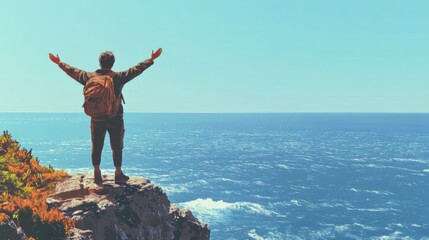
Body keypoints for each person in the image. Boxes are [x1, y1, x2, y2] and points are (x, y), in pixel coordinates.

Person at [49, 49, 162, 184]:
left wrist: (59, 63)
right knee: (117, 145)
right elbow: (136, 70)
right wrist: (151, 59)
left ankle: (97, 173)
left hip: (96, 117)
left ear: (99, 63)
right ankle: (118, 173)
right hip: (115, 117)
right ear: (112, 64)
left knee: (96, 145)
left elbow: (73, 71)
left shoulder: (89, 77)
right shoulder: (118, 77)